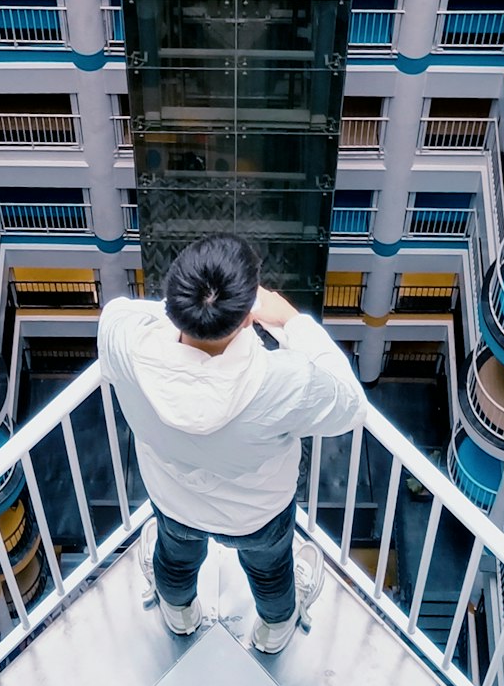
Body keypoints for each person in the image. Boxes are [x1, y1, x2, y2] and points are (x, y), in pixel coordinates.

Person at [98, 235, 366, 654]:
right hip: (258, 515)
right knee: (272, 572)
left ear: (173, 299)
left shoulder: (125, 345)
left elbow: (120, 313)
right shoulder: (283, 383)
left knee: (175, 560)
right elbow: (350, 407)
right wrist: (292, 322)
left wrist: (197, 311)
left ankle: (181, 614)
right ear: (247, 318)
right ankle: (274, 631)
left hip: (173, 500)